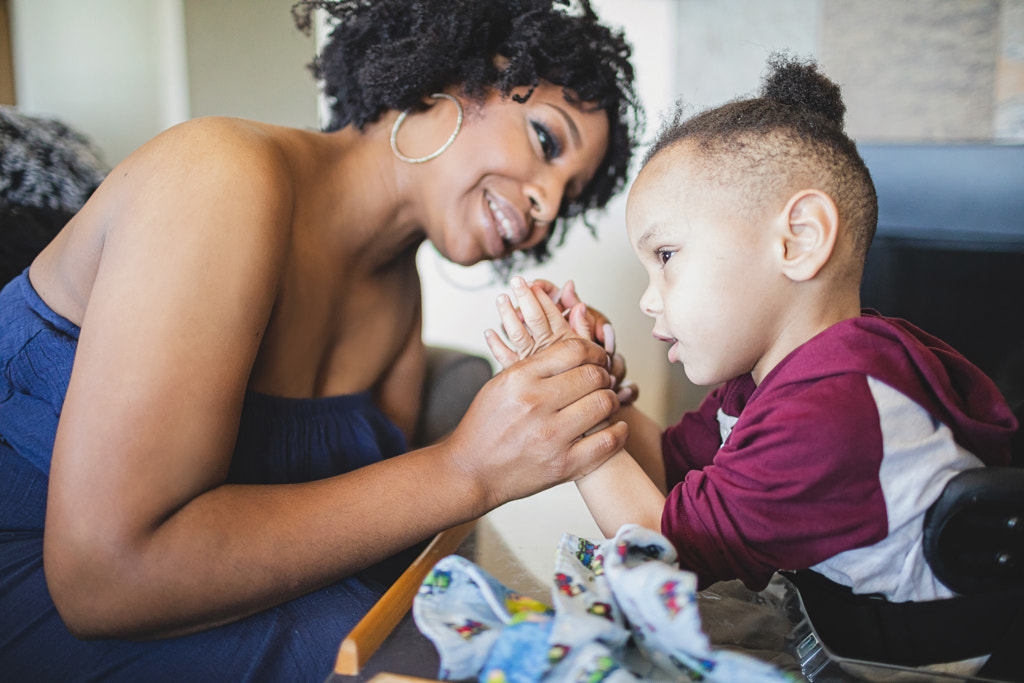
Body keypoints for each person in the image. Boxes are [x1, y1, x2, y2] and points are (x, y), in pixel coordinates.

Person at [0, 1, 642, 680]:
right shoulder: (217, 173)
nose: (545, 205)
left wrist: (557, 394)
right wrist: (469, 467)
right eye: (547, 140)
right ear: (455, 75)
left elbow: (359, 535)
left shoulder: (399, 299)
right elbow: (106, 576)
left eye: (567, 196)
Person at [486, 53, 1019, 675]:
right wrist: (601, 387)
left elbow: (663, 546)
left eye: (666, 254)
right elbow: (672, 473)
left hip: (921, 660)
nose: (647, 297)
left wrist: (574, 420)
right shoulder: (777, 382)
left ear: (798, 240)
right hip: (839, 622)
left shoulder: (833, 409)